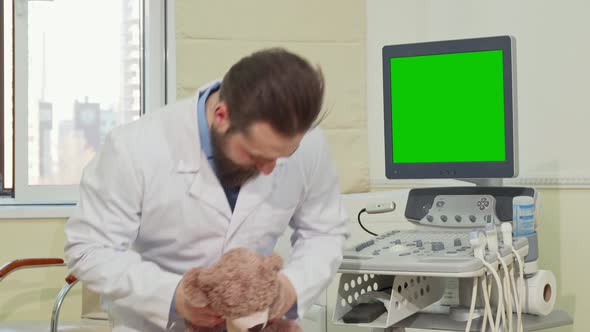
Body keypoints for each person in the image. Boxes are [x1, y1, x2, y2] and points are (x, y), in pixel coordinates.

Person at [64, 48, 349, 331]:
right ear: (222, 115)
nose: (270, 170)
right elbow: (89, 248)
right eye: (256, 155)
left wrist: (290, 287)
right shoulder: (133, 148)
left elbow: (324, 232)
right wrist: (174, 296)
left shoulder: (309, 145)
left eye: (283, 156)